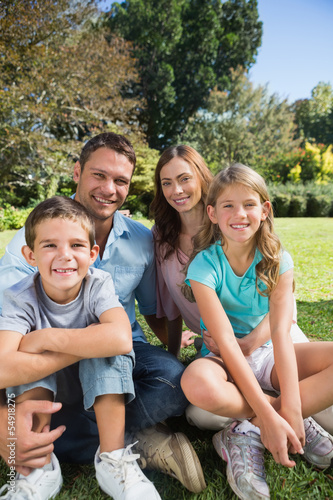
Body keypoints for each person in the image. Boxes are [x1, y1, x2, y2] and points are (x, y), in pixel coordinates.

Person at [0, 133, 206, 495]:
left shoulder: (141, 241)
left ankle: (72, 438)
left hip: (115, 351)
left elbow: (153, 311)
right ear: (78, 171)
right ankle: (132, 440)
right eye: (99, 175)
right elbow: (8, 346)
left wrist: (170, 342)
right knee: (29, 379)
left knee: (174, 381)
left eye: (120, 181)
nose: (109, 189)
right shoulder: (30, 243)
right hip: (46, 363)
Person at [150, 145, 333, 433]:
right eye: (167, 182)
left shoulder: (273, 256)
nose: (176, 189)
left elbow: (281, 328)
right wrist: (173, 351)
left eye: (184, 178)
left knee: (324, 412)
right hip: (220, 350)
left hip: (268, 341)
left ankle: (275, 415)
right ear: (214, 212)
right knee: (201, 410)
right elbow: (173, 309)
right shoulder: (170, 243)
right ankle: (275, 412)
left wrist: (251, 344)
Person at [180, 163, 333, 500]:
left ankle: (244, 429)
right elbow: (227, 345)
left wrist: (293, 405)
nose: (240, 214)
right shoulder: (204, 266)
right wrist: (268, 414)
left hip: (267, 353)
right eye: (228, 206)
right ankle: (259, 421)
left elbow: (281, 333)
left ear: (264, 210)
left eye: (249, 204)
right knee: (195, 383)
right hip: (222, 358)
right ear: (213, 213)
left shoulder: (280, 261)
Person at [0, 196, 163, 500]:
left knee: (109, 352)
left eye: (76, 246)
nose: (64, 256)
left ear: (92, 254)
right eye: (50, 245)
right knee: (30, 358)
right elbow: (3, 368)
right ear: (30, 254)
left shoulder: (98, 283)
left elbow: (121, 339)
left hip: (100, 387)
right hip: (47, 392)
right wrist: (87, 342)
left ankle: (112, 458)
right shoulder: (18, 296)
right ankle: (39, 465)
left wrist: (47, 339)